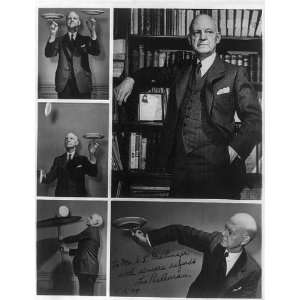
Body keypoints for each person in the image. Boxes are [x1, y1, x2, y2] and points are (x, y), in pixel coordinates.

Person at [114, 14, 262, 199]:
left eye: (208, 32)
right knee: (182, 218)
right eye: (197, 32)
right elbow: (153, 73)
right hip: (181, 167)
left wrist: (233, 152)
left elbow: (254, 121)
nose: (202, 37)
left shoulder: (235, 73)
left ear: (217, 38)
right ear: (190, 39)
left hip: (220, 169)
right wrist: (131, 78)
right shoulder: (181, 70)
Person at [132, 213, 261, 298]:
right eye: (225, 228)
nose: (223, 233)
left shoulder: (253, 270)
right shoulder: (214, 241)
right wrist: (148, 239)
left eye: (230, 232)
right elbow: (179, 232)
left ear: (244, 240)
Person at [45, 11, 100, 99]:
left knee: (83, 111)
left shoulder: (85, 39)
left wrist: (92, 31)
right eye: (69, 18)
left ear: (79, 22)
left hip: (83, 83)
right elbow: (49, 54)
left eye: (75, 18)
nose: (72, 20)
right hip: (64, 85)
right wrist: (52, 34)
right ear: (66, 22)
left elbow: (96, 52)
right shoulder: (59, 40)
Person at [39, 132, 99, 197]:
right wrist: (40, 175)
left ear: (77, 143)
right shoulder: (58, 160)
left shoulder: (82, 159)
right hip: (61, 197)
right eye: (66, 138)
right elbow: (49, 178)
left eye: (71, 138)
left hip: (78, 197)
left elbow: (93, 173)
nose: (68, 140)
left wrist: (92, 154)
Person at [60, 213, 103, 295]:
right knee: (87, 294)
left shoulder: (91, 230)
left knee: (84, 294)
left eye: (91, 217)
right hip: (89, 270)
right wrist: (68, 250)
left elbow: (76, 237)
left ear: (96, 223)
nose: (88, 218)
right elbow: (83, 251)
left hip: (86, 269)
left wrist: (63, 239)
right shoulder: (94, 233)